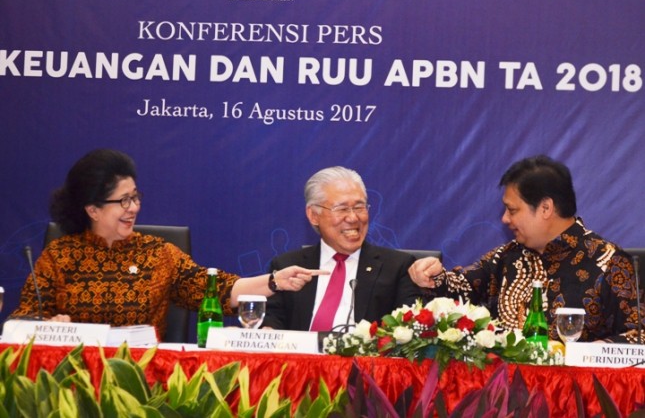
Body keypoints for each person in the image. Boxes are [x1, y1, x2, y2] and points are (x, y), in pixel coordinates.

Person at [9, 149, 322, 340]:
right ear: (92, 209)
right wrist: (52, 325)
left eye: (135, 197)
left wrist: (275, 281)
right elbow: (21, 322)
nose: (133, 208)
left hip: (140, 385)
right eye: (123, 200)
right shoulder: (59, 257)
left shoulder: (157, 254)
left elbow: (215, 288)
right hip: (70, 381)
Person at [409, 155, 644, 343]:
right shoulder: (507, 257)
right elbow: (460, 288)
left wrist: (596, 352)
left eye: (512, 210)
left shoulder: (608, 261)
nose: (504, 219)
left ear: (545, 208)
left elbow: (638, 334)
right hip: (506, 396)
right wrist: (432, 275)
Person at [262, 166, 423, 331]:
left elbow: (407, 330)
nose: (353, 218)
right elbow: (272, 319)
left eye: (359, 207)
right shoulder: (286, 266)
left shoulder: (398, 267)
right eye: (342, 209)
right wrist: (267, 330)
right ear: (313, 216)